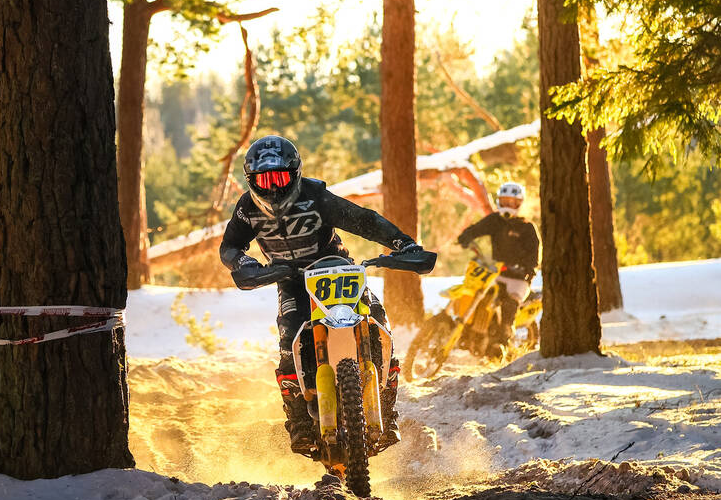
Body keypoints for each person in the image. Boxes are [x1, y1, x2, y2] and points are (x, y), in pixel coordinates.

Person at [219, 134, 428, 455]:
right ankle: (299, 423)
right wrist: (242, 262)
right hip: (290, 279)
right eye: (264, 180)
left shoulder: (315, 195)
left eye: (279, 178)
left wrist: (403, 243)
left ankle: (387, 411)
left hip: (337, 270)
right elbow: (230, 246)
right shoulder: (247, 208)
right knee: (289, 341)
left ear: (295, 174)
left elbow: (363, 220)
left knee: (378, 321)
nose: (273, 188)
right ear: (251, 181)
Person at [457, 181, 540, 349]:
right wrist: (465, 237)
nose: (507, 205)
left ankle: (504, 339)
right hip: (497, 273)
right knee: (477, 294)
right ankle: (466, 331)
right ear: (499, 201)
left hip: (519, 278)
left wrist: (526, 269)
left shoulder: (527, 227)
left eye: (512, 202)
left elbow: (534, 256)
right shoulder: (495, 220)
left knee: (509, 303)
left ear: (519, 203)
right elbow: (476, 229)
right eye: (504, 201)